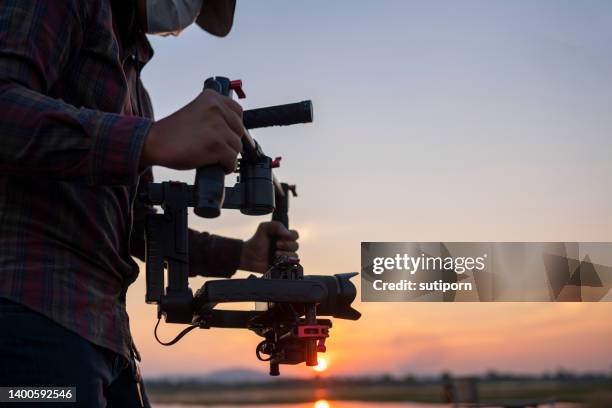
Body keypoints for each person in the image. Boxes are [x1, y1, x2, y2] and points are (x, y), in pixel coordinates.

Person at [0, 0, 299, 406]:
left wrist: (244, 253)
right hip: (29, 314)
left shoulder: (137, 94)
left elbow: (140, 229)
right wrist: (148, 140)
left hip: (106, 337)